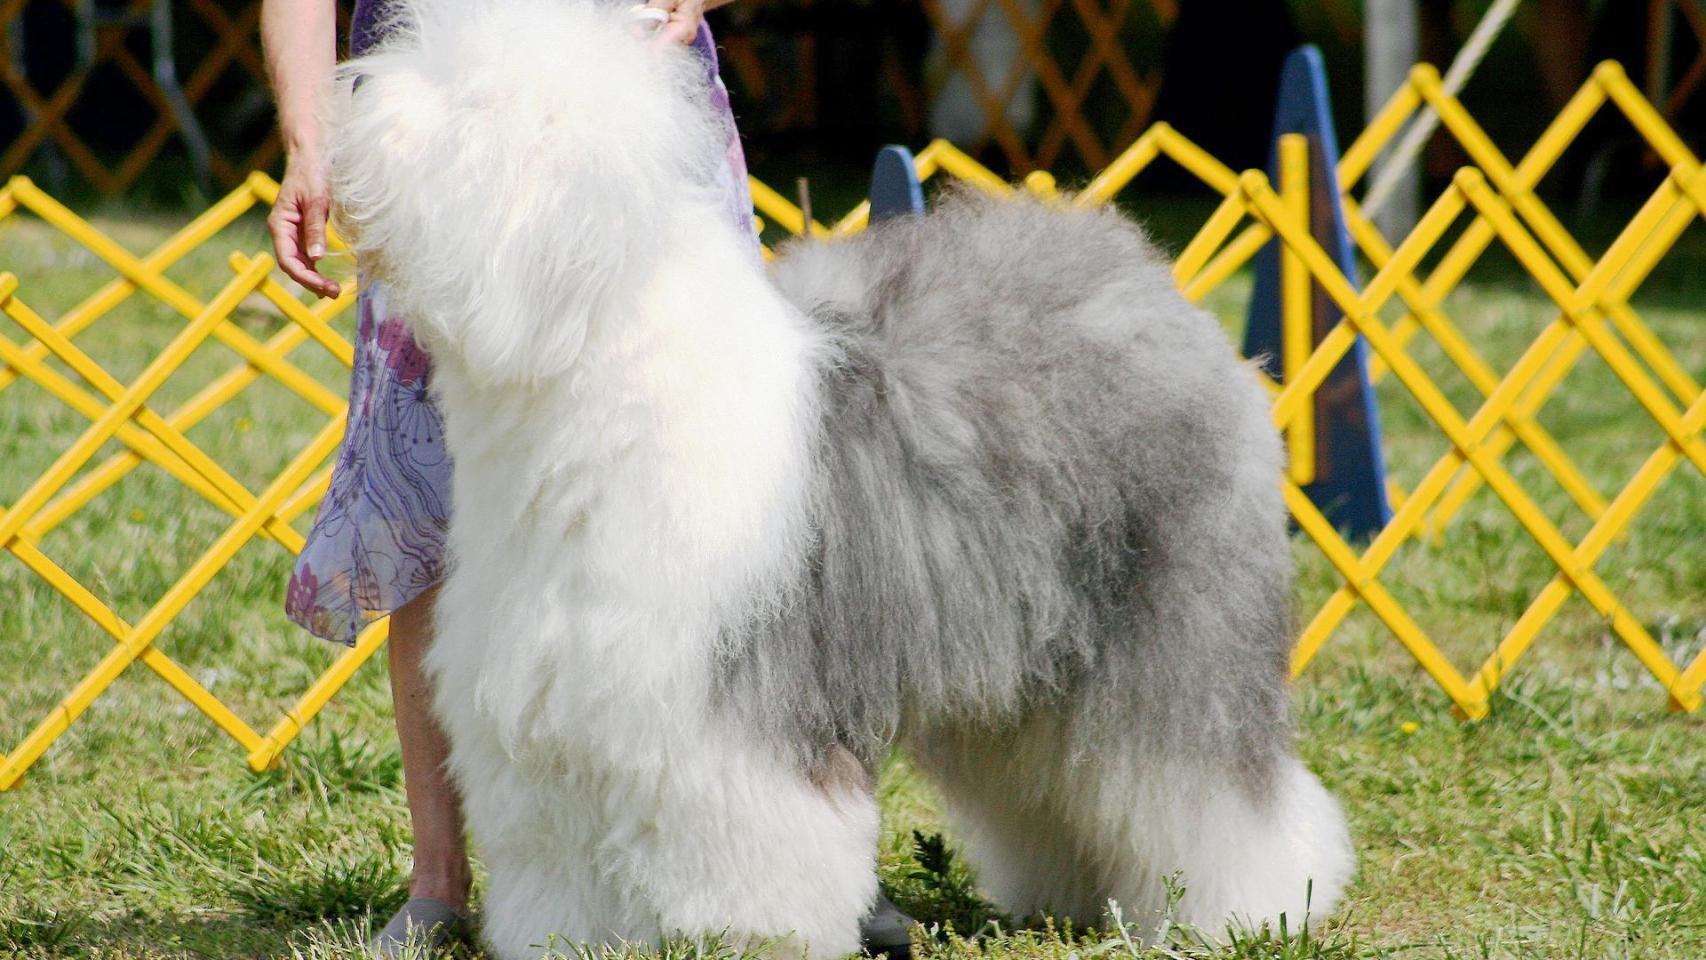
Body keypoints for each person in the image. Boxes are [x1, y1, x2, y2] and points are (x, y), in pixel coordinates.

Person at [261, 0, 914, 954]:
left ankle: (783, 860)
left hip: (623, 130)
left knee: (730, 543)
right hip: (455, 160)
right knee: (440, 529)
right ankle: (450, 880)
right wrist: (313, 136)